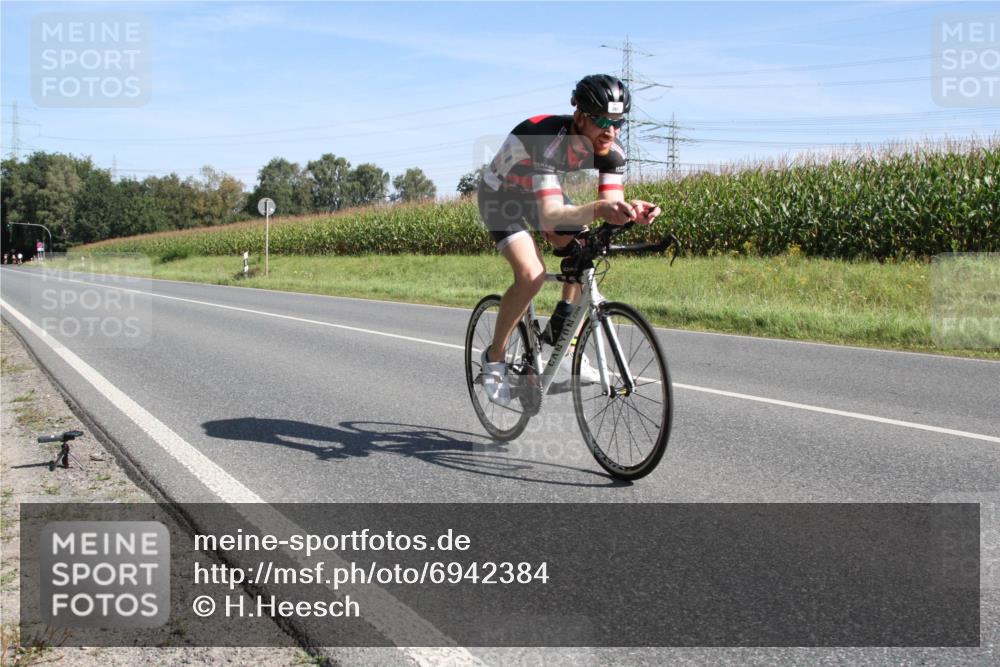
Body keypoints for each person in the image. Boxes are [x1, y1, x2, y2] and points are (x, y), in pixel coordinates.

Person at [476, 74, 661, 405]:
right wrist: (602, 208)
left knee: (587, 248)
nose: (611, 130)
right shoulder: (544, 139)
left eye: (619, 122)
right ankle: (494, 358)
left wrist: (629, 210)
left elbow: (609, 204)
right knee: (531, 274)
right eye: (602, 120)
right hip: (501, 198)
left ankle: (565, 332)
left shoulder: (612, 151)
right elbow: (550, 215)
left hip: (536, 195)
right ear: (579, 116)